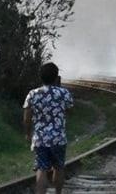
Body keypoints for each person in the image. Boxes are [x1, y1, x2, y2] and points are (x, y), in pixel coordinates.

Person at [23, 62, 74, 194]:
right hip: (58, 138)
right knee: (59, 167)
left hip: (40, 139)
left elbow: (27, 118)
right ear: (57, 77)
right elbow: (69, 111)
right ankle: (58, 192)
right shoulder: (63, 93)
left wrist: (28, 134)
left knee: (41, 169)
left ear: (41, 77)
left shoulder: (32, 94)